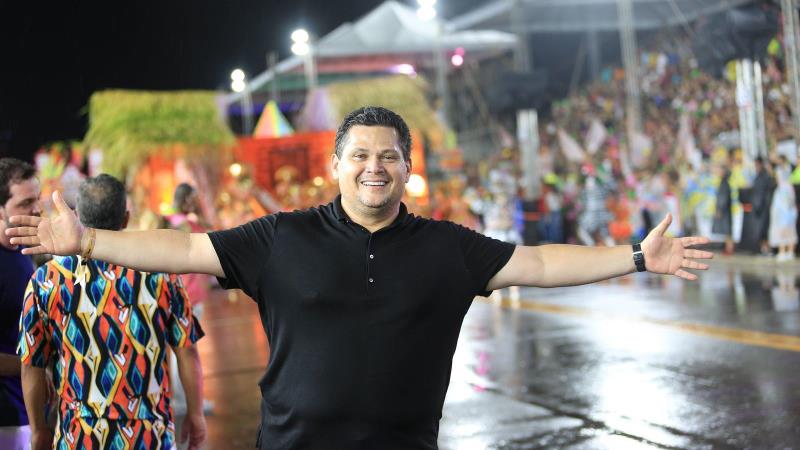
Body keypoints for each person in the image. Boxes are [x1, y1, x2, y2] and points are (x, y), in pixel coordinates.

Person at [7, 106, 713, 449]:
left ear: (408, 168)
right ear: (336, 165)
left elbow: (537, 263)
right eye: (360, 154)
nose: (375, 166)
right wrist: (90, 241)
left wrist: (638, 257)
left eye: (389, 156)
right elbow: (186, 252)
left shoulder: (448, 247)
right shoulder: (281, 237)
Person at [16, 174, 206, 450]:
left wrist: (39, 430)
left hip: (79, 437)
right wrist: (196, 413)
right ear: (126, 219)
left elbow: (31, 364)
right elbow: (187, 350)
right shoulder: (160, 273)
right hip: (149, 436)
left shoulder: (47, 280)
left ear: (77, 218)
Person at [0, 158, 40, 449]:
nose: (36, 209)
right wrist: (37, 369)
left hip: (27, 411)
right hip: (6, 419)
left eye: (36, 200)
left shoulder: (23, 250)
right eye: (25, 203)